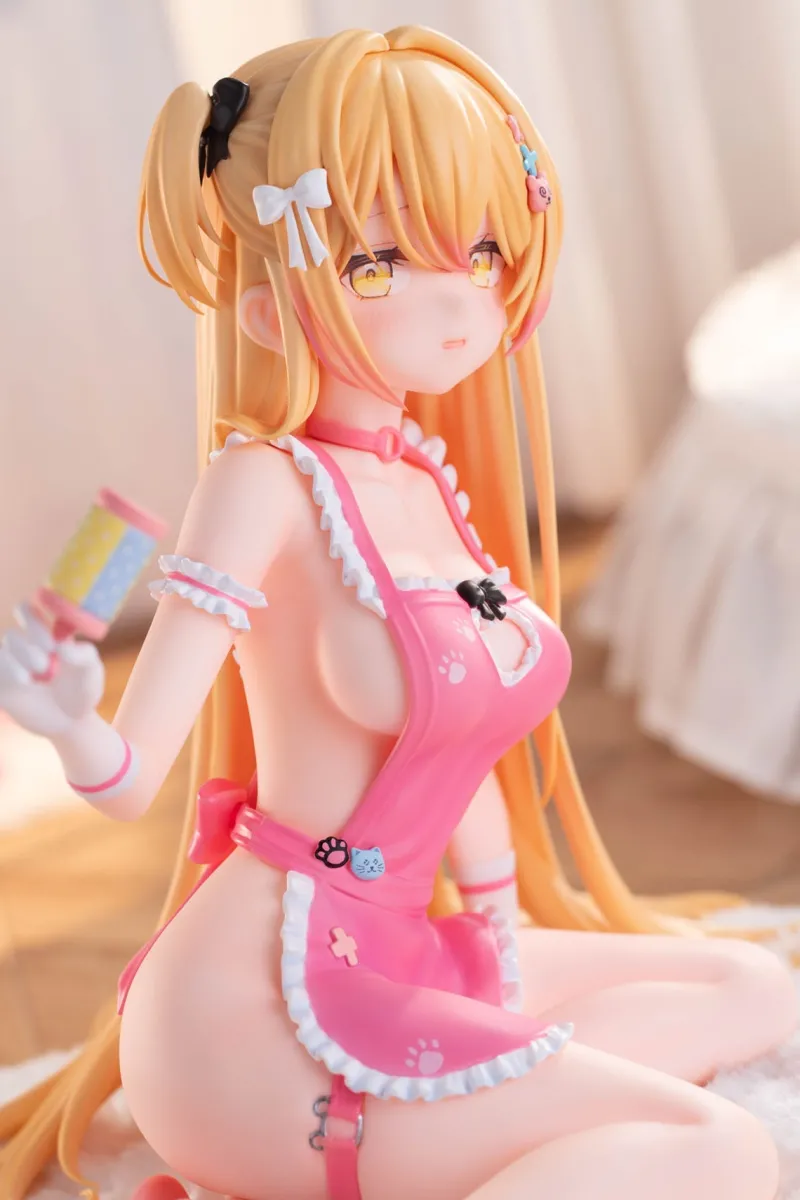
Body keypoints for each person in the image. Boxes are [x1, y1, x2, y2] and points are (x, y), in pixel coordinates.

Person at [0, 27, 794, 1200]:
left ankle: (486, 1109)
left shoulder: (421, 476)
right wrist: (69, 719)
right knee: (719, 1146)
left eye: (478, 248)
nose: (460, 295)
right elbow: (127, 779)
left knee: (750, 988)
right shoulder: (262, 483)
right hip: (258, 1009)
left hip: (400, 941)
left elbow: (448, 742)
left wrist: (496, 935)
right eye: (379, 263)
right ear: (270, 309)